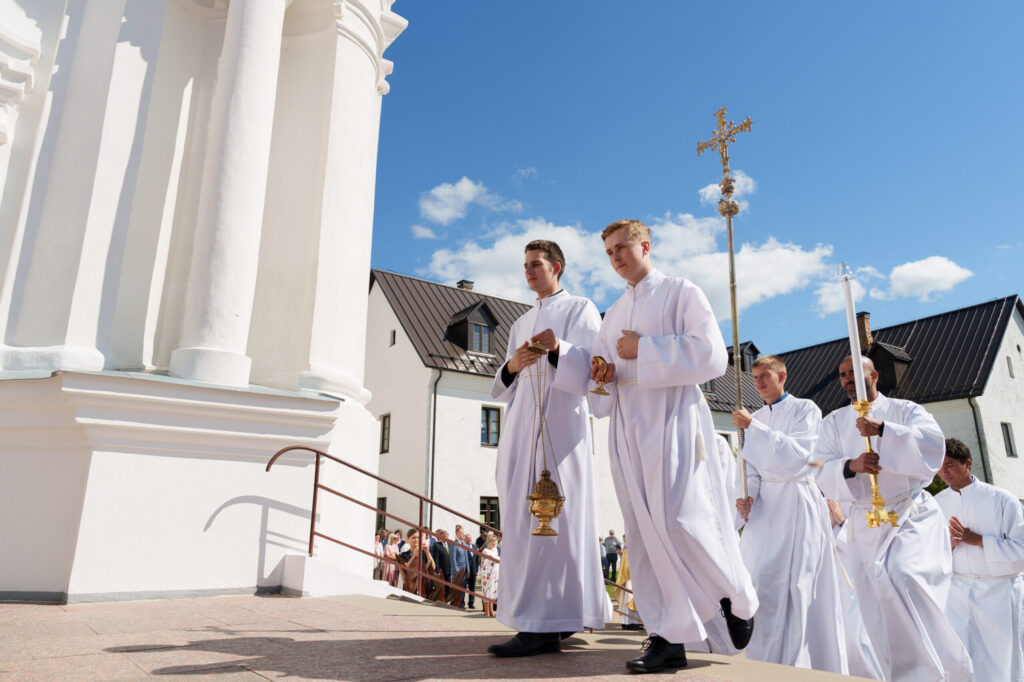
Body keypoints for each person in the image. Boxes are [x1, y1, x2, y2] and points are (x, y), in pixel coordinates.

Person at [588, 219, 757, 673]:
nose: (615, 257)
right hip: (627, 426)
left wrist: (645, 348)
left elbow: (713, 355)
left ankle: (736, 597)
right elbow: (603, 374)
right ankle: (667, 636)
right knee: (643, 535)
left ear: (645, 246)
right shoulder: (612, 313)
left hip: (672, 418)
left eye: (622, 248)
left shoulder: (681, 292)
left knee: (681, 519)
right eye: (609, 252)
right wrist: (603, 375)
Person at [812, 355, 972, 682]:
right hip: (865, 520)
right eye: (842, 375)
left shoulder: (905, 410)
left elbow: (932, 446)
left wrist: (883, 429)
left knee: (902, 575)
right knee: (875, 602)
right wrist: (852, 465)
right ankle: (900, 674)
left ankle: (933, 671)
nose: (847, 379)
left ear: (874, 376)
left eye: (854, 373)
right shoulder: (833, 422)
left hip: (908, 512)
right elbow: (819, 466)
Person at [487, 239, 610, 657]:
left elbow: (594, 367)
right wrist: (513, 365)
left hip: (561, 426)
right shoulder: (520, 323)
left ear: (557, 267)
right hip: (522, 426)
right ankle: (549, 618)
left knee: (558, 519)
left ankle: (546, 623)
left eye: (536, 264)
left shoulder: (580, 308)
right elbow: (503, 384)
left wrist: (559, 348)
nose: (529, 271)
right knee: (523, 521)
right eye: (525, 265)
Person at [732, 355, 847, 673]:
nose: (758, 382)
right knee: (759, 582)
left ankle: (798, 665)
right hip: (765, 509)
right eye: (755, 377)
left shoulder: (805, 410)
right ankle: (764, 663)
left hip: (797, 502)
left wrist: (753, 427)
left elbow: (800, 456)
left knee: (798, 586)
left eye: (765, 376)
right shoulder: (753, 417)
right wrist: (748, 496)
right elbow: (749, 466)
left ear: (782, 376)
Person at [935, 437, 1024, 682]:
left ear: (967, 464)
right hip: (957, 593)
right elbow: (929, 552)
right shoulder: (937, 503)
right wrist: (950, 545)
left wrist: (979, 540)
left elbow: (1022, 548)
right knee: (961, 659)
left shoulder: (1002, 500)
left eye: (950, 464)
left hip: (998, 592)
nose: (944, 472)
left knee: (1002, 660)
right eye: (940, 467)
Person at [397, 529, 436, 595]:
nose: (416, 540)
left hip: (423, 588)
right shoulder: (403, 555)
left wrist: (427, 552)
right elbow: (405, 570)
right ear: (408, 539)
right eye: (413, 538)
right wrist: (414, 556)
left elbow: (433, 567)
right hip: (410, 588)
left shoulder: (424, 554)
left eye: (418, 538)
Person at [479, 532, 501, 617]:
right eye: (492, 541)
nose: (494, 543)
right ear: (488, 542)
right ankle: (487, 611)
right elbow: (484, 565)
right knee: (487, 593)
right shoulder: (485, 551)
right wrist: (484, 577)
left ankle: (492, 610)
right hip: (488, 575)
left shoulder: (495, 550)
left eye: (495, 541)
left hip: (495, 575)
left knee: (493, 593)